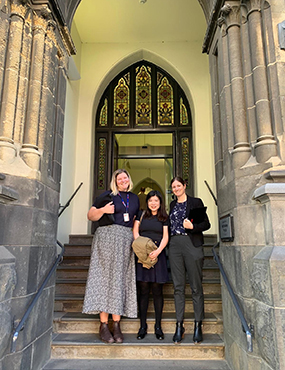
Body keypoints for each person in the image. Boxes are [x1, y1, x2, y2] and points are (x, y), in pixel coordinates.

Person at [83, 169, 140, 344]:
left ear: (129, 180)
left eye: (125, 178)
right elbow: (91, 215)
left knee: (119, 280)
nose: (123, 180)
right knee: (104, 279)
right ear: (114, 182)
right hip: (106, 238)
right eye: (119, 178)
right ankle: (103, 324)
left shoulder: (135, 198)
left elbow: (136, 219)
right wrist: (103, 209)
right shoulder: (106, 196)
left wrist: (136, 240)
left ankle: (116, 324)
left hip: (125, 239)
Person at [168, 176, 210, 344]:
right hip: (175, 245)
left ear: (185, 185)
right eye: (173, 187)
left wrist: (194, 227)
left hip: (192, 244)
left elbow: (206, 224)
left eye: (178, 185)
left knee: (195, 286)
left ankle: (198, 325)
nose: (176, 189)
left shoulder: (195, 202)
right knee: (178, 287)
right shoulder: (172, 205)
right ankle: (180, 325)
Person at [133, 190, 169, 340]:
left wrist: (158, 251)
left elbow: (166, 236)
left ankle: (158, 326)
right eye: (150, 201)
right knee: (143, 290)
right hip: (143, 256)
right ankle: (142, 326)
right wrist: (142, 248)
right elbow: (135, 231)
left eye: (156, 200)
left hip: (157, 256)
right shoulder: (141, 215)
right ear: (147, 202)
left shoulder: (164, 217)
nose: (153, 203)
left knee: (157, 291)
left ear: (160, 202)